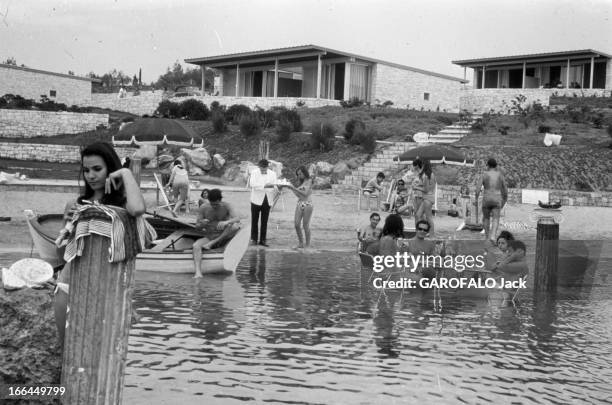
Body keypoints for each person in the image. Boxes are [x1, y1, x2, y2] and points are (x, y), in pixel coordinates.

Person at [54, 142, 147, 343]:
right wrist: (67, 226)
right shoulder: (76, 205)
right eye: (86, 170)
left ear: (110, 169)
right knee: (68, 354)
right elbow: (61, 256)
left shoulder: (122, 206)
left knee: (102, 359)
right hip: (69, 284)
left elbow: (138, 209)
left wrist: (125, 173)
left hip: (106, 290)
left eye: (97, 169)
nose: (91, 176)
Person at [192, 188, 241, 278]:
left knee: (234, 226)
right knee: (196, 246)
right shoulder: (203, 208)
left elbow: (237, 219)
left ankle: (213, 243)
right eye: (212, 204)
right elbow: (197, 227)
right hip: (210, 237)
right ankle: (198, 273)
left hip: (224, 235)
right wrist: (202, 224)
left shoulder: (227, 206)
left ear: (220, 200)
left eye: (216, 204)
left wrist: (226, 222)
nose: (214, 206)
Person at [475, 158, 508, 244]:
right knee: (496, 218)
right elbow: (505, 189)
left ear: (488, 165)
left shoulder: (484, 174)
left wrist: (476, 198)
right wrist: (505, 199)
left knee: (486, 218)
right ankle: (493, 236)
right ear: (496, 166)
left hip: (486, 198)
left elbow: (478, 189)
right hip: (497, 199)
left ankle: (487, 237)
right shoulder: (500, 175)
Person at [280, 166, 313, 249]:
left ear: (305, 173)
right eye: (298, 174)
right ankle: (301, 243)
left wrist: (293, 188)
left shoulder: (309, 181)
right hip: (300, 203)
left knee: (305, 225)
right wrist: (290, 187)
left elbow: (305, 193)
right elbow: (298, 195)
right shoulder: (300, 182)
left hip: (308, 204)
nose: (299, 175)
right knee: (296, 224)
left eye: (301, 173)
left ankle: (308, 245)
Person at [248, 159, 278, 247]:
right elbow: (252, 184)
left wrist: (274, 187)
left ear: (268, 167)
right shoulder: (254, 172)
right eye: (261, 169)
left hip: (267, 199)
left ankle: (263, 240)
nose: (263, 171)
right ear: (259, 166)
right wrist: (265, 186)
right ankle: (254, 239)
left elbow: (274, 185)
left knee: (264, 221)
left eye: (264, 169)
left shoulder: (273, 174)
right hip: (256, 199)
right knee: (254, 220)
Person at [415, 159, 436, 236]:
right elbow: (432, 187)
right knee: (418, 215)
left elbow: (426, 190)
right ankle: (420, 232)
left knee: (429, 218)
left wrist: (416, 187)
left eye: (422, 165)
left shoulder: (425, 176)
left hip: (427, 198)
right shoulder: (432, 174)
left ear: (424, 166)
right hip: (429, 197)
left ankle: (432, 235)